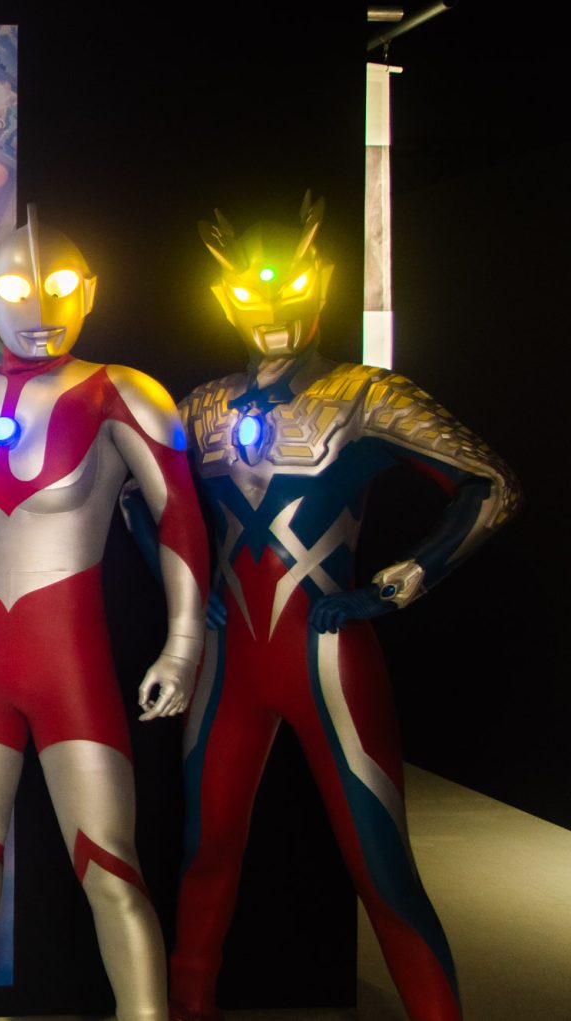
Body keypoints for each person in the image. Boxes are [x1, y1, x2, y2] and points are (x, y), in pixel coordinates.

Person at [145, 194, 520, 1021]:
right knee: (205, 852)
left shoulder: (364, 395)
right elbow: (145, 501)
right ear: (224, 298)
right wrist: (188, 592)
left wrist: (401, 580)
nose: (271, 312)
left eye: (287, 290)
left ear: (318, 285)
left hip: (327, 656)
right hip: (231, 662)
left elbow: (491, 485)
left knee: (382, 869)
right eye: (252, 295)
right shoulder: (201, 405)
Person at [0, 207, 208, 1021]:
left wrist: (183, 642)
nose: (40, 305)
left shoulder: (121, 392)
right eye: (18, 287)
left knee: (107, 859)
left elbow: (181, 517)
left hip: (70, 667)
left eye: (58, 284)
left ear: (88, 291)